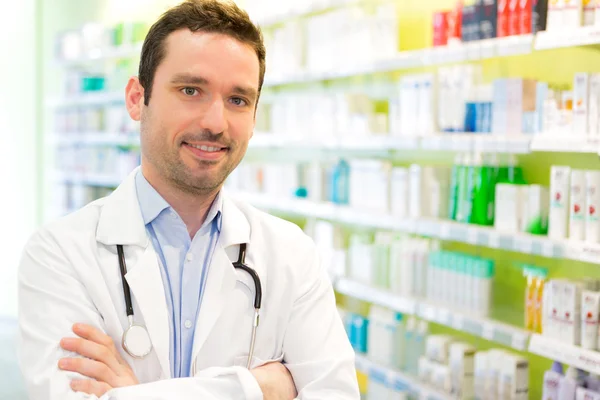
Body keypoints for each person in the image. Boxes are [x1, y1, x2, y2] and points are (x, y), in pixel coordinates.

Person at [17, 1, 360, 399]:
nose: (215, 122)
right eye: (190, 90)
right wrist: (256, 389)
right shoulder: (59, 254)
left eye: (238, 99)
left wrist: (136, 392)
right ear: (135, 99)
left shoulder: (292, 256)